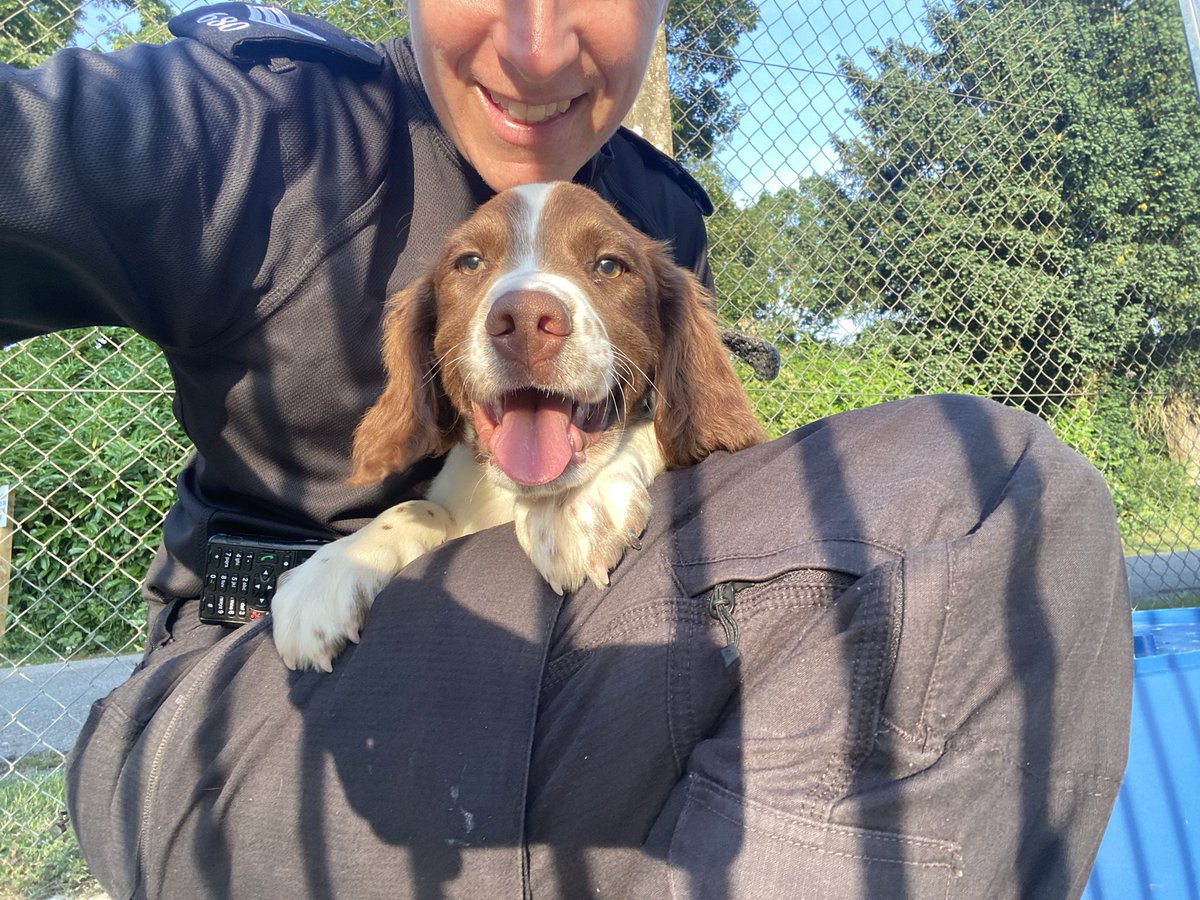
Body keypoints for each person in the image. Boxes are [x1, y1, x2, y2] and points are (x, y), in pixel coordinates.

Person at [1, 1, 1132, 896]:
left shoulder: (655, 212)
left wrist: (636, 457)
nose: (535, 44)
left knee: (995, 500)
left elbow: (710, 448)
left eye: (600, 271)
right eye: (476, 273)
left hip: (566, 643)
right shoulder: (244, 120)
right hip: (261, 671)